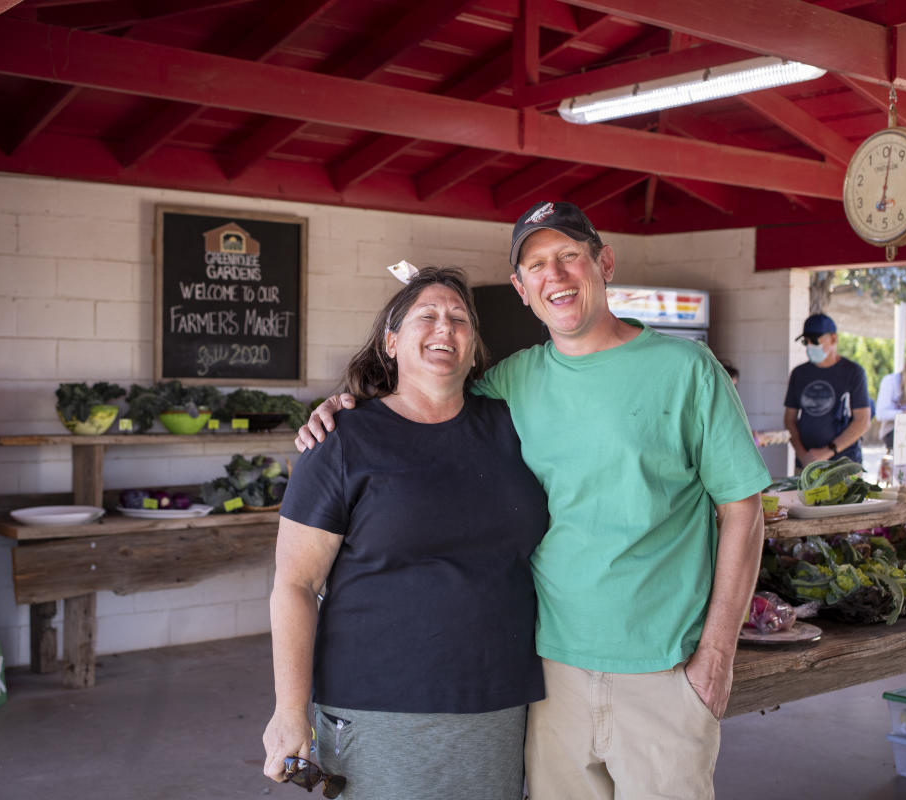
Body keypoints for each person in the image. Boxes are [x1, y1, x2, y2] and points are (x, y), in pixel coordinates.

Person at [297, 201, 771, 799]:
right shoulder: (511, 383)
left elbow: (744, 510)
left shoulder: (686, 369)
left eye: (570, 255)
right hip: (550, 673)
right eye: (538, 264)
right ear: (522, 290)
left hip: (664, 670)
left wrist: (717, 656)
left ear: (604, 263)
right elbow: (425, 392)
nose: (557, 275)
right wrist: (345, 406)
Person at [261, 267, 549, 799]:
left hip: (498, 697)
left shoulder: (514, 427)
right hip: (376, 701)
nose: (446, 327)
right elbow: (294, 586)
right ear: (391, 341)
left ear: (473, 346)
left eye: (460, 318)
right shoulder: (341, 441)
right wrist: (288, 711)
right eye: (428, 316)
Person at [784, 313, 871, 467]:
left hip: (844, 464)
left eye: (816, 341)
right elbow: (789, 419)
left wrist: (828, 451)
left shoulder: (853, 372)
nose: (811, 346)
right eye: (806, 342)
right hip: (807, 464)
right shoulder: (799, 374)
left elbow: (862, 421)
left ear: (833, 339)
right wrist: (802, 454)